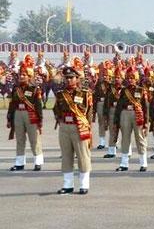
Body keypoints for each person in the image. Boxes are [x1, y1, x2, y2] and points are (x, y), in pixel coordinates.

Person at [53, 66, 93, 195]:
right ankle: (67, 184)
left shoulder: (85, 93)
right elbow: (56, 109)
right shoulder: (60, 94)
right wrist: (60, 120)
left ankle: (84, 185)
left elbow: (89, 113)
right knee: (66, 156)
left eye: (72, 78)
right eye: (67, 78)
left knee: (82, 156)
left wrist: (88, 128)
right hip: (65, 127)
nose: (69, 80)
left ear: (77, 78)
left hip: (79, 126)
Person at [7, 55, 44, 171]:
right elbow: (12, 104)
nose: (21, 77)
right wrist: (9, 117)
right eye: (20, 75)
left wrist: (40, 119)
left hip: (31, 115)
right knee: (20, 139)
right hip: (18, 114)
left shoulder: (34, 89)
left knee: (34, 139)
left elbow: (38, 105)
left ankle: (38, 161)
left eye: (24, 75)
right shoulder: (15, 88)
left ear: (29, 76)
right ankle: (19, 163)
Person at [113, 65, 149, 172]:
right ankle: (124, 164)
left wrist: (146, 122)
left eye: (132, 78)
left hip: (138, 115)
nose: (130, 80)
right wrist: (116, 121)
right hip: (125, 114)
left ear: (136, 79)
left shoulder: (142, 90)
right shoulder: (123, 91)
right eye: (128, 78)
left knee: (140, 138)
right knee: (125, 139)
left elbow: (146, 107)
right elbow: (119, 107)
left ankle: (143, 163)